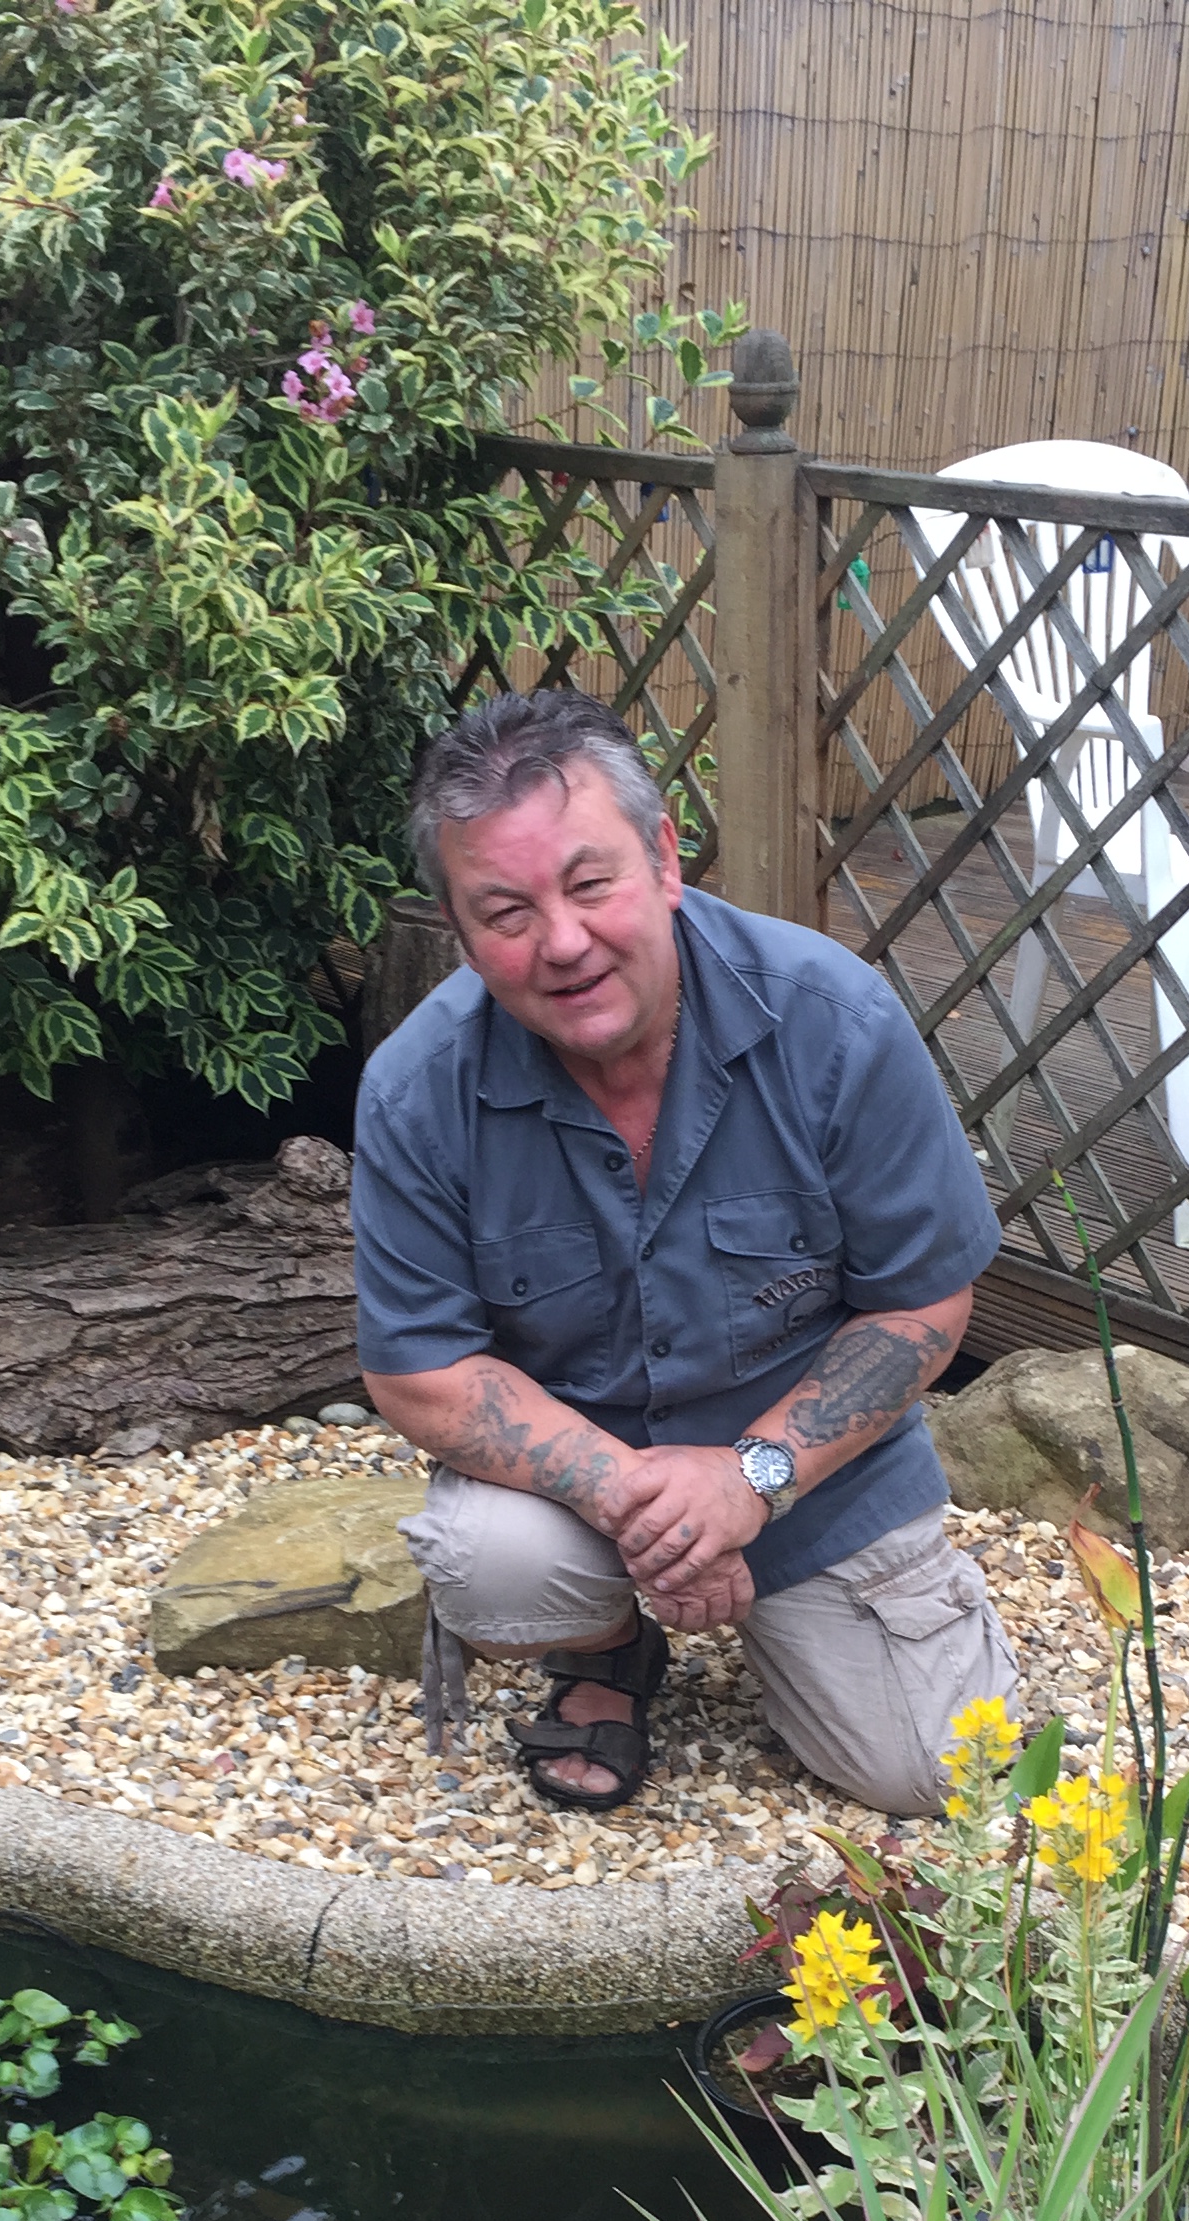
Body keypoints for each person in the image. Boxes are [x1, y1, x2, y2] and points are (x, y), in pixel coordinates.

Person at [352, 688, 1019, 1815]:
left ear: (663, 858)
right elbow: (419, 1370)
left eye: (590, 884)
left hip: (816, 1480)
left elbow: (923, 1307)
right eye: (506, 912)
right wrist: (644, 1504)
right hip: (584, 1494)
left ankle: (803, 1609)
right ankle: (607, 1644)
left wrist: (749, 1480)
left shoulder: (836, 1023)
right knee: (493, 1567)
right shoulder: (416, 1088)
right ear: (459, 931)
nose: (563, 943)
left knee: (946, 1776)